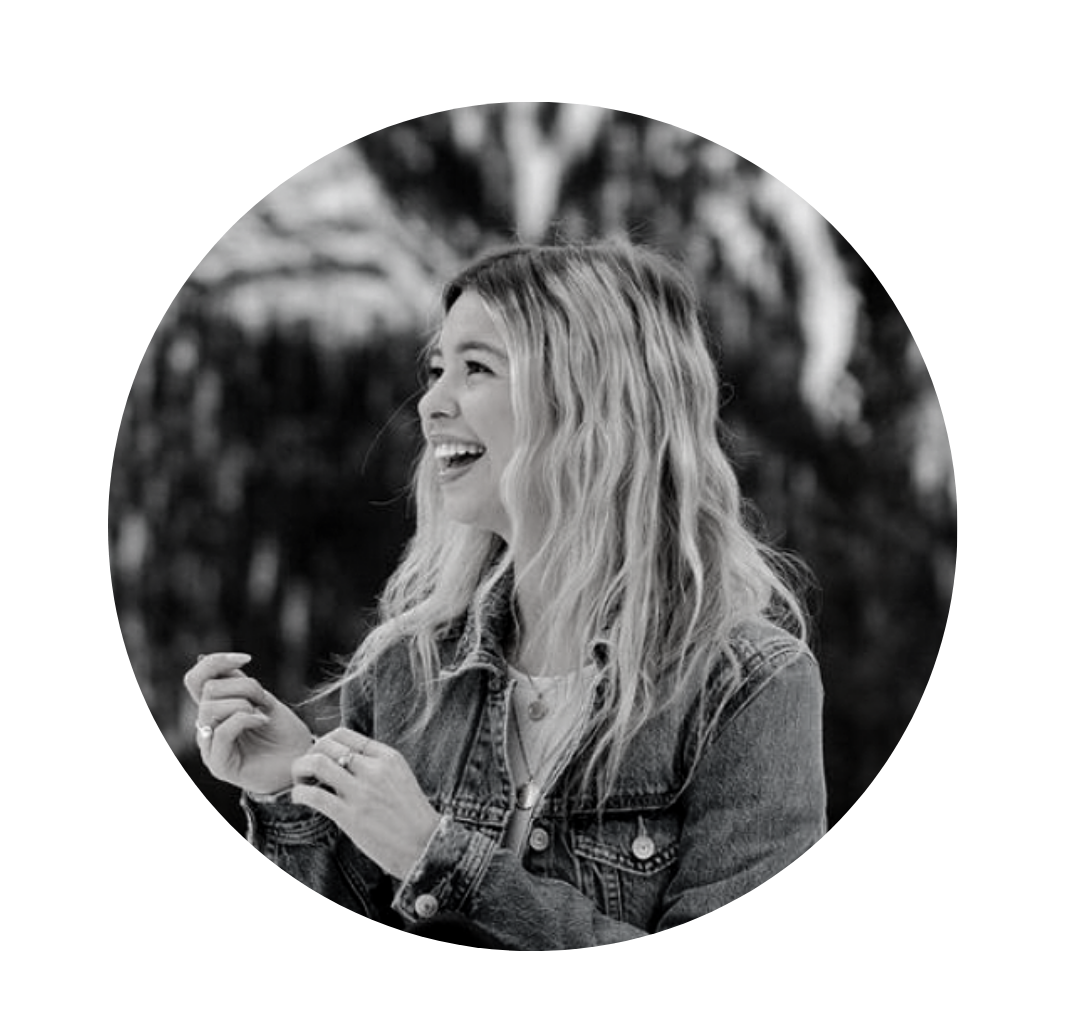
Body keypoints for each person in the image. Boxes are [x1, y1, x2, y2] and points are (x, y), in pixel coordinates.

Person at [183, 240, 827, 949]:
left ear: (589, 400)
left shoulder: (747, 688)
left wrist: (435, 854)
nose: (430, 403)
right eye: (437, 369)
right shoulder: (407, 670)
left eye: (477, 368)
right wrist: (289, 788)